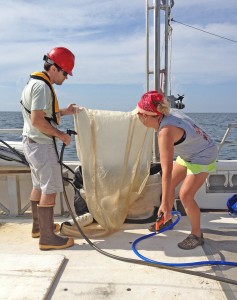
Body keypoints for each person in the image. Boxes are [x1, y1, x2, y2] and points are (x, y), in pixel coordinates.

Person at [132, 91, 218, 250]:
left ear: (148, 116)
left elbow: (167, 170)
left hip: (203, 155)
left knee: (185, 195)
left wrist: (164, 203)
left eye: (140, 114)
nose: (139, 117)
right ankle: (167, 219)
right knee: (170, 185)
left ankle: (197, 235)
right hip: (190, 152)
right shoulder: (166, 112)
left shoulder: (165, 132)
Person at [21, 46, 76, 250]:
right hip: (42, 145)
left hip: (31, 143)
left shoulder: (34, 83)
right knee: (50, 188)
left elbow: (44, 113)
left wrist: (66, 112)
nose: (66, 77)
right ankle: (47, 238)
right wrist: (60, 135)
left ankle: (38, 227)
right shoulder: (43, 87)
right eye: (65, 73)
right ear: (54, 68)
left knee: (38, 185)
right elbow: (38, 121)